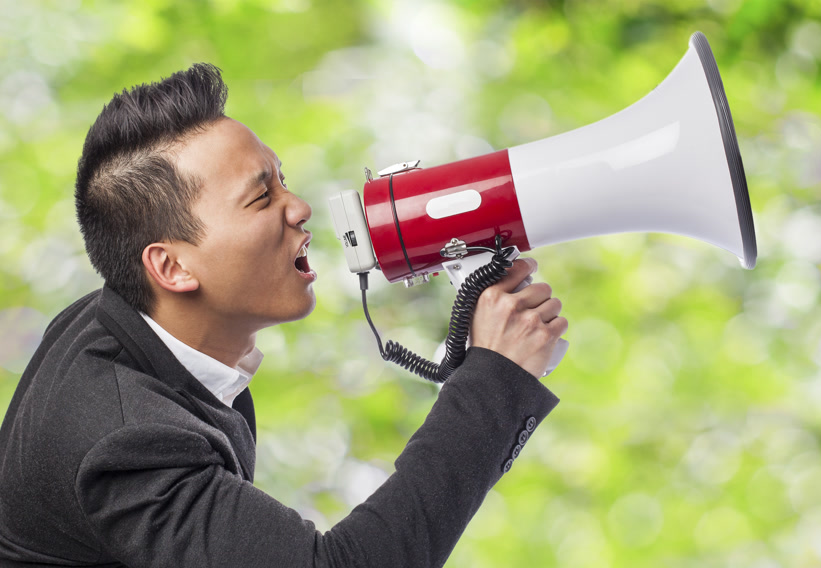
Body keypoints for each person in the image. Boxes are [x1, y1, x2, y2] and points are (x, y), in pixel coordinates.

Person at [0, 63, 567, 567]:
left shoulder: (116, 318)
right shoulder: (130, 447)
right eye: (260, 197)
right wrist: (496, 377)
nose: (299, 207)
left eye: (283, 180)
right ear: (171, 267)